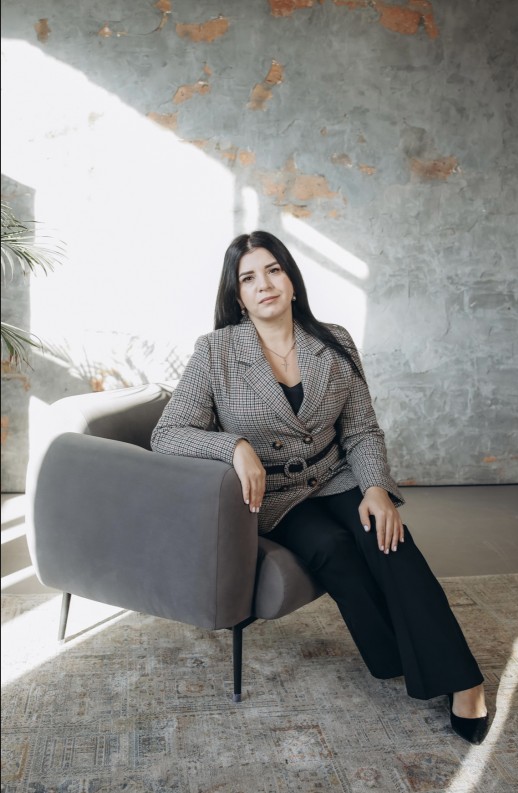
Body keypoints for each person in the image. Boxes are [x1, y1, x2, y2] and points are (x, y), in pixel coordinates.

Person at [151, 230, 489, 744]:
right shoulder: (216, 351)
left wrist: (375, 488)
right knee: (331, 548)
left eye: (273, 270)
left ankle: (464, 682)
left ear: (291, 280)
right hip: (275, 497)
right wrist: (234, 445)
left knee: (390, 541)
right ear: (237, 296)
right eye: (248, 278)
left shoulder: (334, 341)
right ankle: (395, 656)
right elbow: (167, 433)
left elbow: (361, 429)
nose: (264, 284)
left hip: (335, 473)